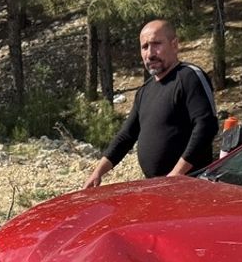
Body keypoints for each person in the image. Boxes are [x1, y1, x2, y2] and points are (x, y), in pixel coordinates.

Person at [83, 20, 218, 189]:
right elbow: (126, 136)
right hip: (157, 186)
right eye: (144, 47)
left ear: (174, 45)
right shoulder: (144, 91)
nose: (150, 53)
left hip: (190, 185)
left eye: (156, 44)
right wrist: (98, 172)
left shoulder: (189, 77)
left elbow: (206, 126)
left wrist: (176, 175)